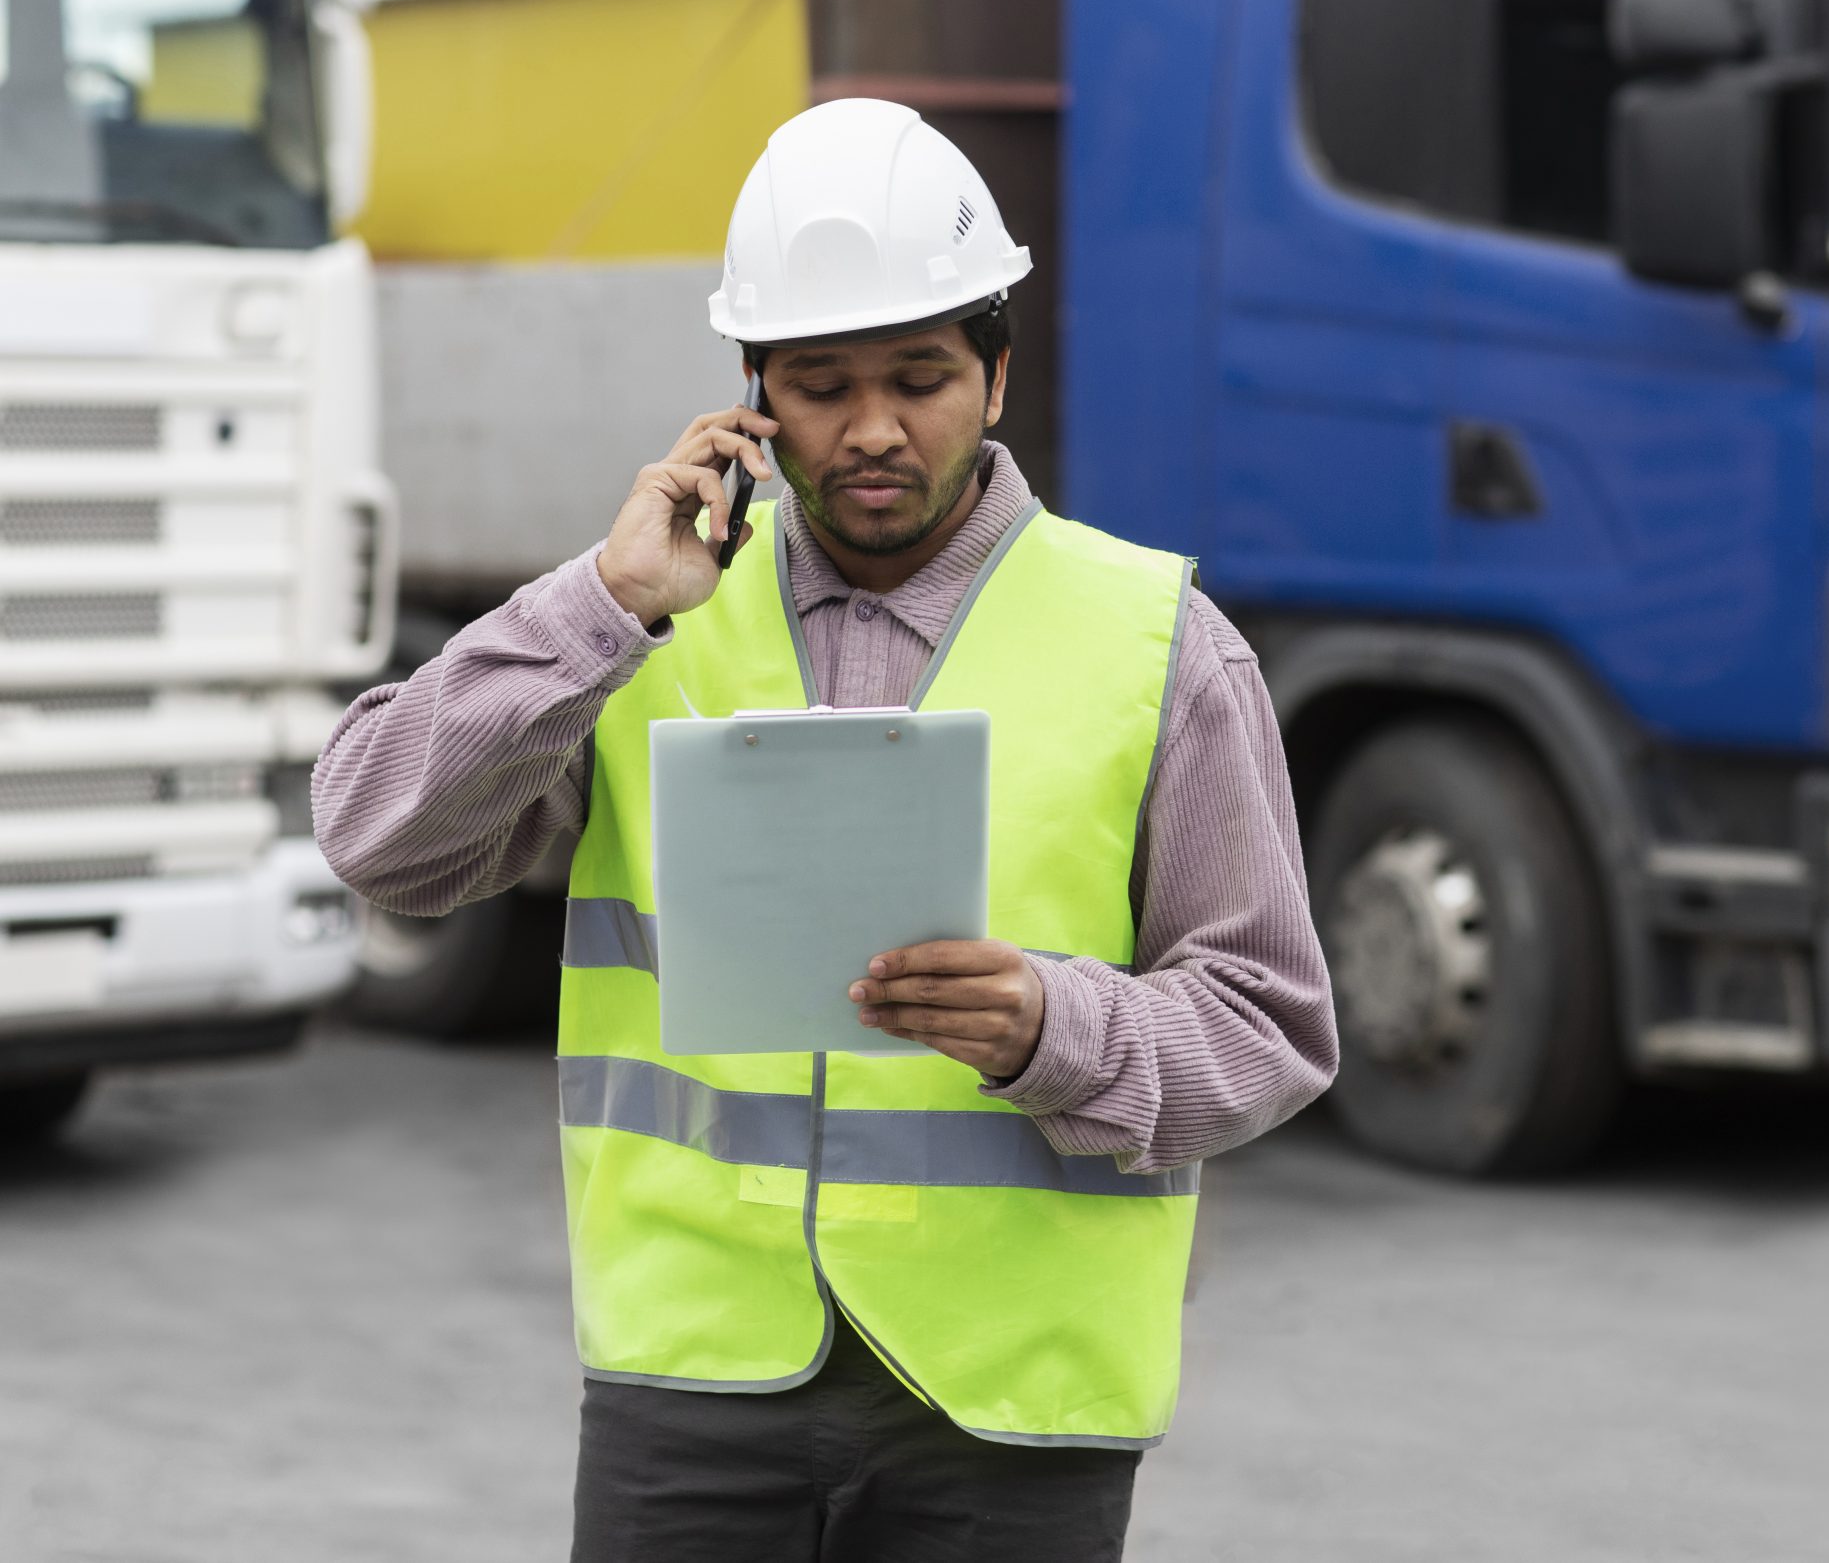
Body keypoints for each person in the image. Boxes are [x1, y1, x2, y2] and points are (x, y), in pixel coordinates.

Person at [314, 99, 1338, 1562]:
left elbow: (1271, 1026)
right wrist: (594, 612)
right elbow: (374, 839)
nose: (871, 429)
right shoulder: (636, 626)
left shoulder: (1161, 645)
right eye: (821, 384)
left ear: (997, 376)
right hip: (694, 1379)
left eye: (919, 377)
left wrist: (1060, 1027)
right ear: (751, 400)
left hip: (1008, 1401)